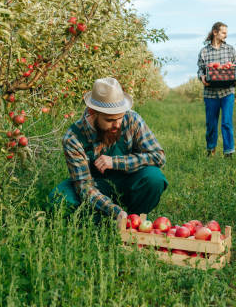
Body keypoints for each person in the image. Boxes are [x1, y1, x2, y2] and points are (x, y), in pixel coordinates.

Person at [48, 77, 167, 224]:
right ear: (93, 112)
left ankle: (134, 219)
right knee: (59, 199)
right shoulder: (73, 138)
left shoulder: (132, 119)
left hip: (128, 180)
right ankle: (108, 221)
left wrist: (116, 162)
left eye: (120, 118)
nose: (117, 125)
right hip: (97, 185)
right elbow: (84, 186)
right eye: (110, 120)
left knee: (154, 178)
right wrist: (114, 210)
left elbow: (158, 157)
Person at [197, 22, 236, 157]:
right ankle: (211, 150)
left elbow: (235, 67)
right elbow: (200, 70)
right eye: (223, 32)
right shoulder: (204, 51)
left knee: (226, 122)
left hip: (227, 92)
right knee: (211, 124)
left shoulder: (230, 49)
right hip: (210, 93)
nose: (226, 35)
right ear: (215, 32)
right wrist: (202, 77)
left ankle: (229, 152)